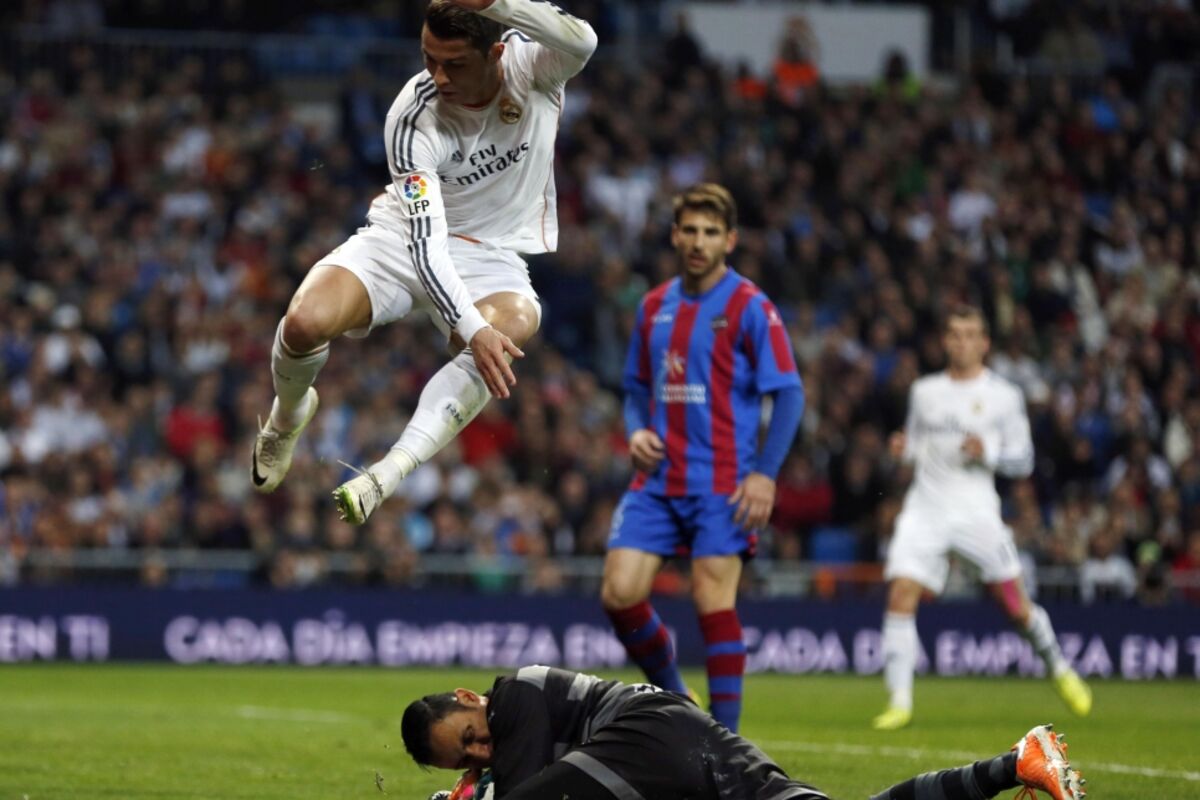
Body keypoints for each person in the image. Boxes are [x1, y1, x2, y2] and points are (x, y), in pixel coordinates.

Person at [250, 0, 597, 525]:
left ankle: (387, 474)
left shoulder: (535, 68)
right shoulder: (412, 116)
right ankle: (287, 417)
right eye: (429, 59)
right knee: (303, 322)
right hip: (405, 238)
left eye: (454, 64)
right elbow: (426, 244)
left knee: (516, 324)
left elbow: (583, 40)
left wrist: (499, 5)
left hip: (489, 253)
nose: (438, 76)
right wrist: (471, 325)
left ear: (495, 53)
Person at [600, 183, 805, 733]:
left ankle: (725, 741)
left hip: (723, 481)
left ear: (729, 240)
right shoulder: (653, 306)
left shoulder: (750, 307)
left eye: (710, 232)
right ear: (674, 235)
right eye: (689, 230)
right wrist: (636, 432)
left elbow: (788, 393)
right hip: (658, 479)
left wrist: (765, 476)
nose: (698, 242)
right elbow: (635, 388)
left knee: (713, 599)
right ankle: (676, 696)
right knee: (618, 593)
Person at [873, 306, 1092, 731]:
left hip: (977, 513)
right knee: (900, 593)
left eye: (970, 335)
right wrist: (901, 451)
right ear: (945, 341)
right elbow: (915, 448)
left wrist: (987, 451)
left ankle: (1059, 667)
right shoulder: (924, 391)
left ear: (985, 343)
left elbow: (1023, 460)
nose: (962, 343)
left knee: (1016, 608)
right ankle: (899, 703)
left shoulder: (1004, 396)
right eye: (954, 334)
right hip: (925, 509)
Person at [401, 665, 1088, 800]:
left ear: (468, 698)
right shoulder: (518, 745)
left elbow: (525, 785)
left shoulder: (515, 693)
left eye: (470, 736)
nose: (482, 749)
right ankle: (1015, 764)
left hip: (646, 733)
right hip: (688, 743)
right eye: (467, 761)